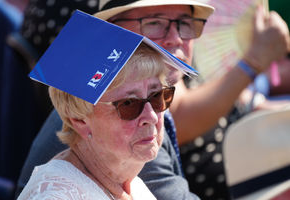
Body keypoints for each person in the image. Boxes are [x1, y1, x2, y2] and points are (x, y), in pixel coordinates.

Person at [15, 0, 289, 199]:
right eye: (129, 106)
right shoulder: (109, 150)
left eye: (161, 98)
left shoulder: (129, 177)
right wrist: (252, 63)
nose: (174, 38)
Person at [18, 41, 182, 199]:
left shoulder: (130, 185)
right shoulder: (57, 195)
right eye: (128, 104)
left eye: (156, 96)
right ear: (80, 120)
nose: (151, 116)